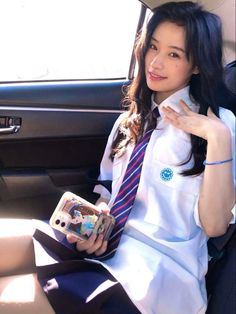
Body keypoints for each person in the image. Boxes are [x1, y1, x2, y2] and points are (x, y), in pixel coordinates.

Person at [16, 1, 236, 314]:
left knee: (10, 295)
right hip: (107, 251)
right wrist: (97, 226)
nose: (156, 63)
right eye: (153, 47)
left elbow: (215, 225)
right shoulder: (129, 121)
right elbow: (110, 196)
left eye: (174, 54)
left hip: (157, 273)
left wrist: (217, 138)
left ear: (197, 65)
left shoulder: (220, 126)